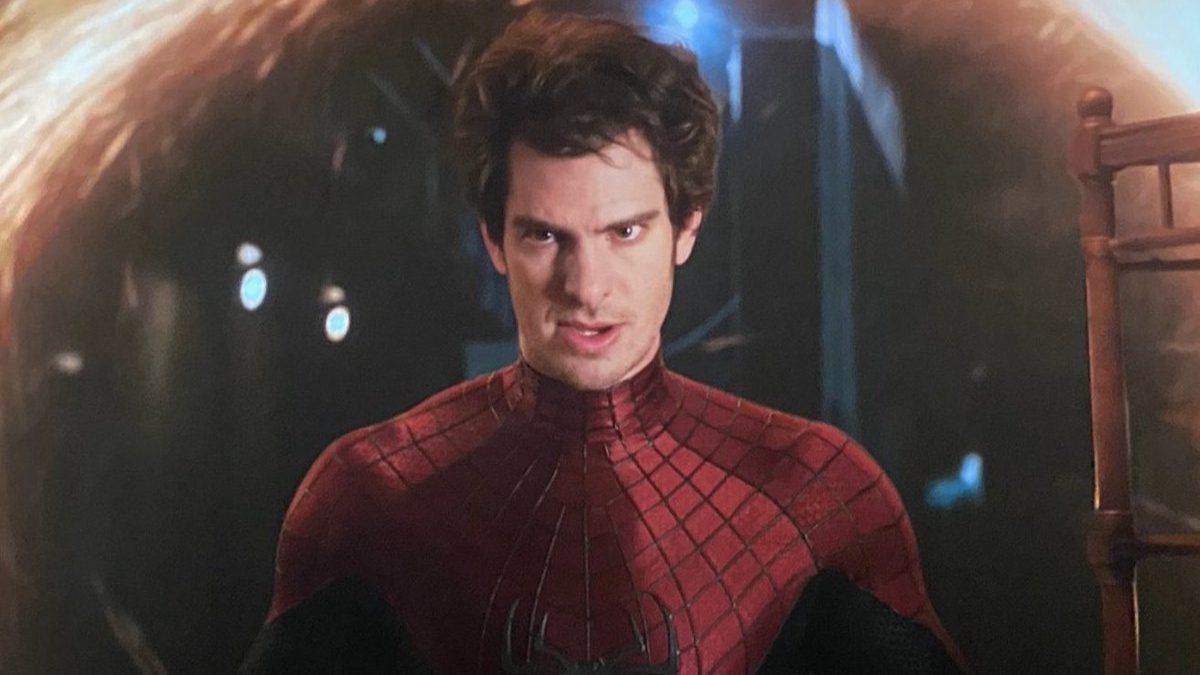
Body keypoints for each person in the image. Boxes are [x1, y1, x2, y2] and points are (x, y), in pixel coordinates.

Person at [241, 11, 962, 675]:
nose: (586, 286)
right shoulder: (367, 501)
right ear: (494, 240)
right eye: (545, 235)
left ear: (686, 227)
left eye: (625, 231)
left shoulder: (819, 501)